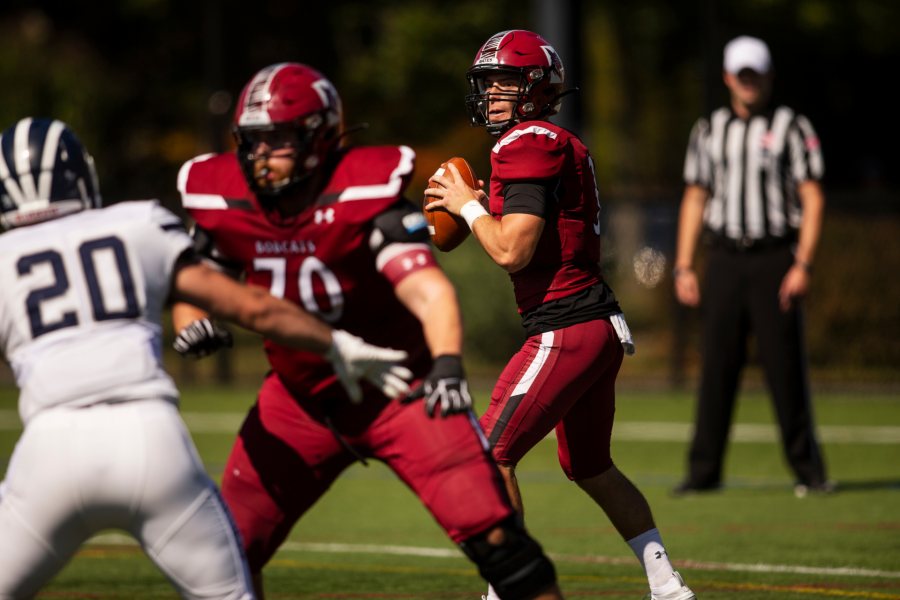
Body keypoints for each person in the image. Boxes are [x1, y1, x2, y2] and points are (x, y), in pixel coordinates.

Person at [172, 62, 564, 600]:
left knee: (502, 545)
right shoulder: (230, 199)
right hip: (301, 397)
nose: (261, 155)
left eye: (278, 139)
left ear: (318, 135)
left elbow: (428, 289)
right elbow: (196, 282)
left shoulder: (364, 193)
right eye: (254, 141)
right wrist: (192, 323)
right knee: (226, 555)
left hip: (397, 387)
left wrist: (447, 362)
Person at [0, 117, 414, 599]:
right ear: (80, 175)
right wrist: (336, 343)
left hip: (50, 447)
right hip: (148, 440)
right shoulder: (135, 223)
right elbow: (250, 305)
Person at [424, 30, 696, 600]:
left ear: (535, 87)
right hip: (593, 325)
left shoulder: (526, 141)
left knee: (485, 455)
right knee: (590, 466)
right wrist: (456, 210)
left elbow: (511, 250)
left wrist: (469, 206)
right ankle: (668, 586)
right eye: (487, 81)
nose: (492, 92)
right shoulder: (545, 141)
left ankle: (512, 590)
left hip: (565, 326)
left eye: (504, 80)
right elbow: (512, 233)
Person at [672, 35, 831, 498]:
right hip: (724, 258)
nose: (749, 83)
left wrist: (803, 262)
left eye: (755, 75)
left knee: (784, 367)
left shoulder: (791, 126)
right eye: (741, 75)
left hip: (774, 257)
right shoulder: (709, 129)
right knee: (717, 366)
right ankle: (704, 472)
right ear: (727, 78)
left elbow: (812, 196)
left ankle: (809, 470)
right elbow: (696, 196)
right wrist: (684, 265)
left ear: (768, 77)